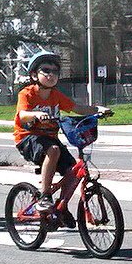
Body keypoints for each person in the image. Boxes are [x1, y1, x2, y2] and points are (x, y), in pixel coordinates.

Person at [12, 51, 108, 227]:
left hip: (49, 139)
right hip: (28, 138)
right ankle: (44, 196)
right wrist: (36, 114)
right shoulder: (27, 93)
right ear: (34, 74)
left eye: (55, 71)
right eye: (46, 70)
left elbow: (77, 108)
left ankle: (61, 206)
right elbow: (22, 114)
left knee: (74, 171)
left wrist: (97, 109)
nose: (51, 74)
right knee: (54, 150)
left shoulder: (56, 95)